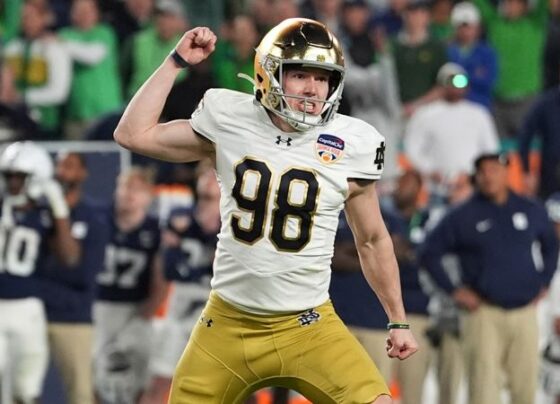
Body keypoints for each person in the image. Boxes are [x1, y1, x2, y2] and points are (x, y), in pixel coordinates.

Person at [113, 18, 418, 403]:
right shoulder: (230, 119)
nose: (312, 89)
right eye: (300, 76)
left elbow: (372, 240)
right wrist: (174, 62)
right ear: (269, 74)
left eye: (322, 78)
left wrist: (398, 319)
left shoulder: (351, 142)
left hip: (309, 325)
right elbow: (131, 134)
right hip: (227, 323)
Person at [420, 153, 560, 404]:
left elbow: (551, 245)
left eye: (494, 169)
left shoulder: (530, 209)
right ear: (476, 177)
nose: (488, 176)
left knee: (525, 388)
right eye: (482, 171)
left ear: (506, 172)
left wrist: (545, 280)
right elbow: (429, 253)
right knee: (483, 389)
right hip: (482, 312)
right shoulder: (462, 215)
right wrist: (454, 291)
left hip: (524, 310)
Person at [0, 141, 81, 404]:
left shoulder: (45, 215)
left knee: (27, 389)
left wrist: (59, 209)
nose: (12, 183)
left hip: (27, 308)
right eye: (8, 176)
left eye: (19, 177)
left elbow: (69, 257)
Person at [141, 164, 219, 404]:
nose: (207, 180)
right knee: (160, 380)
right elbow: (167, 267)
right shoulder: (180, 216)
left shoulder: (238, 219)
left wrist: (211, 234)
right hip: (181, 303)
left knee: (229, 384)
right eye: (204, 174)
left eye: (214, 174)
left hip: (217, 305)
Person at [38, 152, 109, 404]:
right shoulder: (38, 210)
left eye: (69, 166)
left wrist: (59, 215)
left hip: (72, 316)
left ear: (83, 173)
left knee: (81, 392)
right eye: (59, 165)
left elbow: (81, 271)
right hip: (34, 313)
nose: (62, 172)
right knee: (21, 386)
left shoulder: (95, 215)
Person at [93, 167, 168, 404]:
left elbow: (161, 281)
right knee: (96, 378)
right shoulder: (99, 221)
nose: (128, 194)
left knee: (139, 380)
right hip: (100, 307)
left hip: (137, 309)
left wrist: (143, 317)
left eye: (136, 189)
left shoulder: (155, 230)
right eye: (124, 186)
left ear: (148, 197)